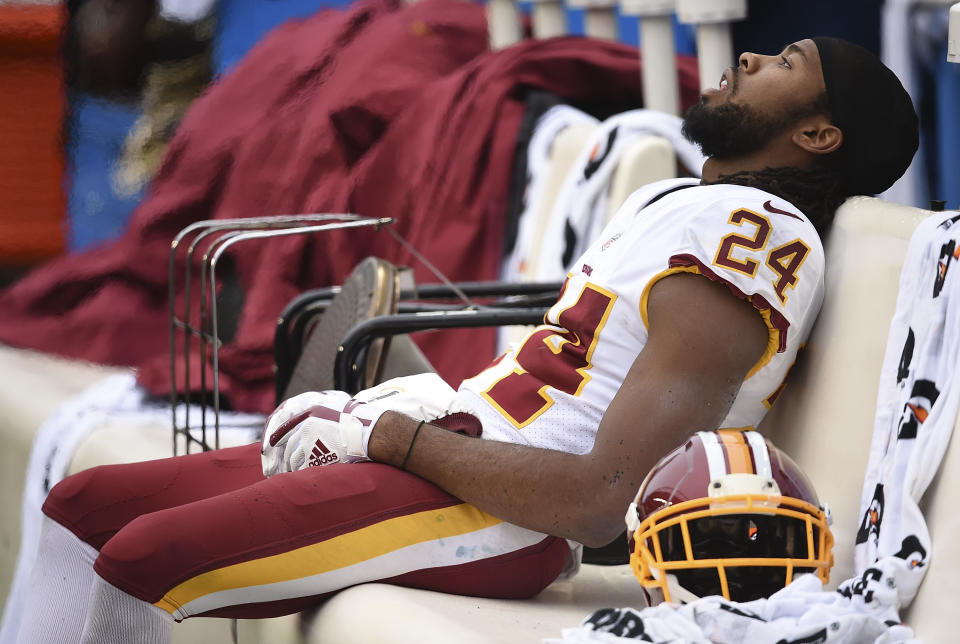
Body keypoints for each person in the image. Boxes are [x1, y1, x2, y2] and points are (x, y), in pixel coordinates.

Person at [14, 37, 917, 643]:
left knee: (140, 559)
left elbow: (602, 499)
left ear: (818, 132)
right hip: (452, 451)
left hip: (504, 520)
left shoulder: (757, 236)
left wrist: (389, 436)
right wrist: (397, 417)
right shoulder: (689, 200)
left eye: (786, 63)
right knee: (82, 505)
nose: (750, 54)